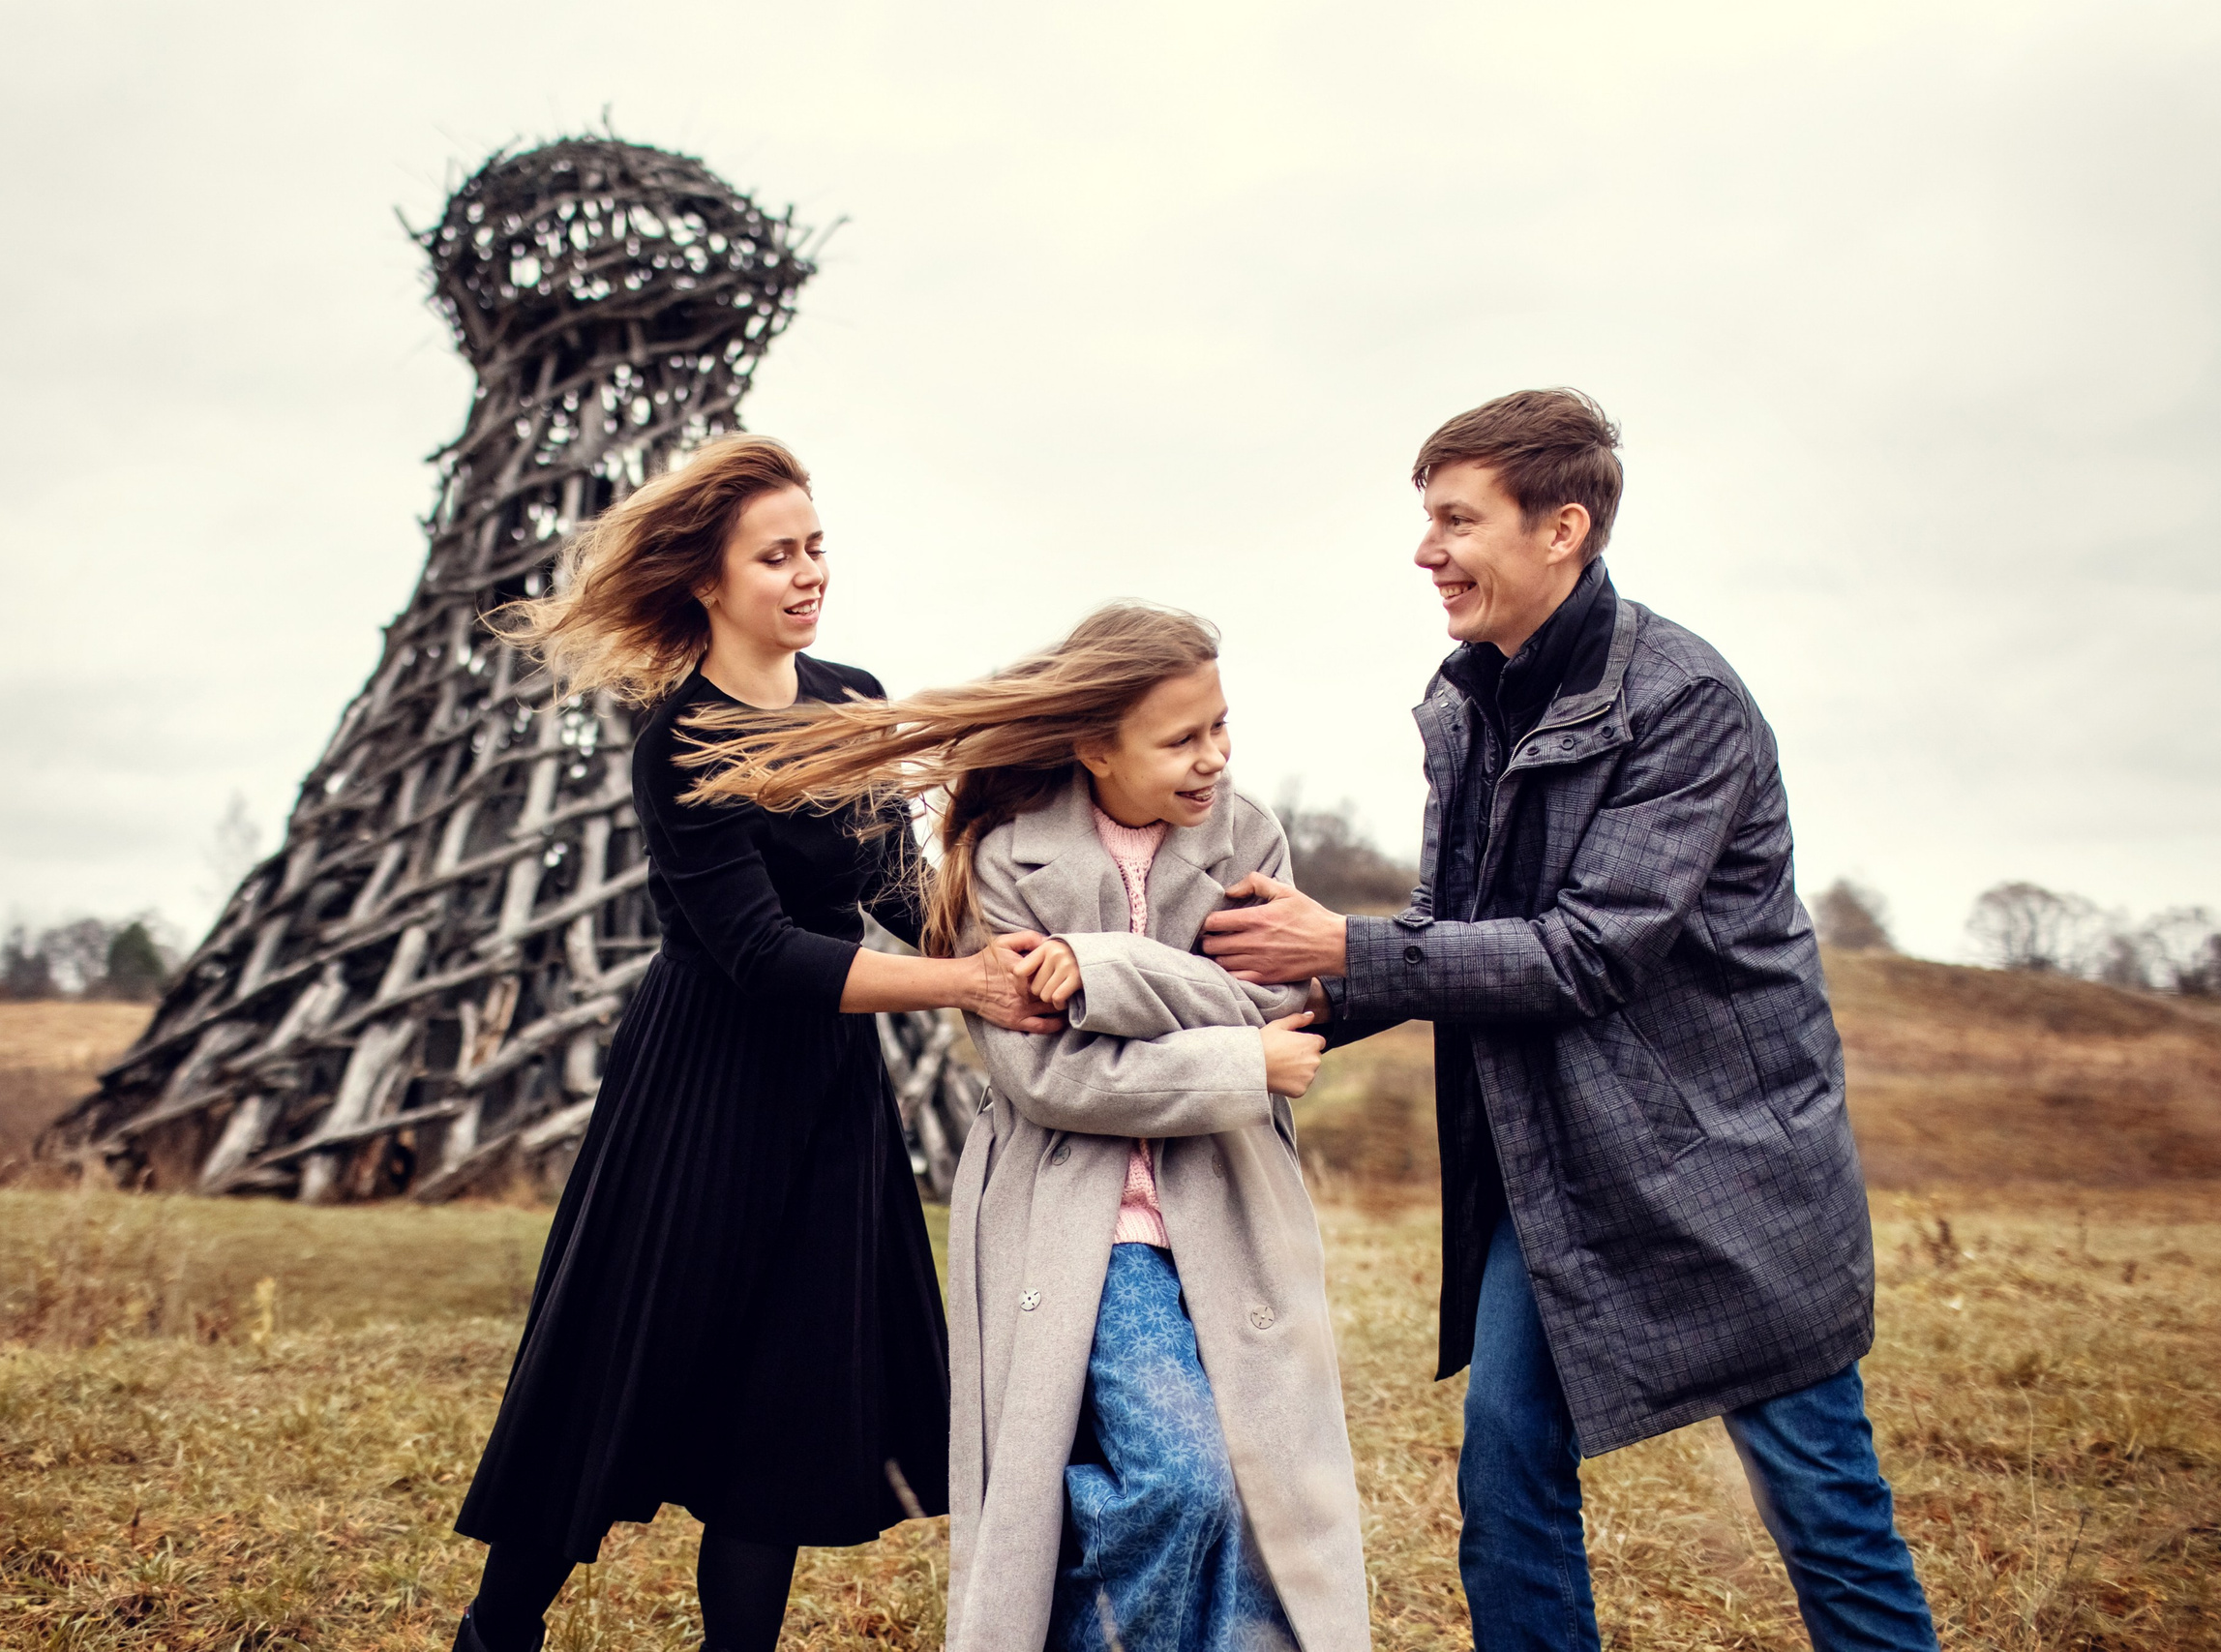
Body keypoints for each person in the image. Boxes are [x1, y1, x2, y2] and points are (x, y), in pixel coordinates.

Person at [1202, 389, 1939, 1652]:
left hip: (1731, 1169)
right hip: (1557, 1178)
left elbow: (1591, 950)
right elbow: (1454, 936)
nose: (1425, 550)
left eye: (1454, 518)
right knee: (1504, 1482)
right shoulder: (1469, 702)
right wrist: (1233, 995)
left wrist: (1345, 941)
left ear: (1564, 528)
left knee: (1822, 1504)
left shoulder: (1685, 701)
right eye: (1424, 518)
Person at [450, 436, 1061, 1652]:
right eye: (775, 556)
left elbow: (893, 885)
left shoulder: (847, 696)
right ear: (707, 583)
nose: (806, 574)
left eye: (815, 547)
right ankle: (493, 1636)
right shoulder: (678, 744)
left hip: (830, 1096)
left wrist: (1024, 945)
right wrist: (962, 985)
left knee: (781, 1399)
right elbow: (763, 955)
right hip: (698, 1092)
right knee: (616, 1372)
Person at [688, 603, 1370, 1652]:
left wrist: (1106, 969)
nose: (1214, 758)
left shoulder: (1249, 838)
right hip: (1087, 1224)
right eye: (1182, 738)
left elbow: (1275, 1008)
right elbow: (1053, 1076)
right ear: (1094, 746)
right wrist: (1241, 1063)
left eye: (1221, 727)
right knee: (1182, 1484)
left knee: (1250, 1498)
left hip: (1228, 1210)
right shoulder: (1009, 858)